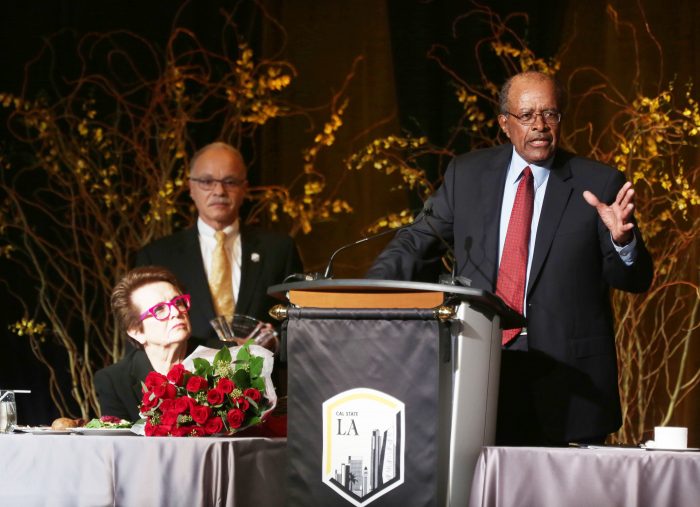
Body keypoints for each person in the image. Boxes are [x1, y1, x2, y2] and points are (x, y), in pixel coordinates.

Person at [367, 71, 653, 446]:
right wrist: (367, 291)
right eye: (527, 115)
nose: (540, 125)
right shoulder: (467, 175)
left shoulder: (598, 184)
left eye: (550, 114)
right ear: (505, 123)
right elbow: (416, 243)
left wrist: (623, 241)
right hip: (479, 368)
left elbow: (635, 279)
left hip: (569, 383)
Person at [135, 142, 303, 342]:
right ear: (191, 188)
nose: (219, 191)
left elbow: (301, 323)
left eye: (230, 182)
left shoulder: (279, 250)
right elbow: (142, 334)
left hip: (263, 371)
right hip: (184, 371)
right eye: (207, 181)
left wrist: (275, 343)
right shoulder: (157, 256)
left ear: (244, 189)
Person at [94, 266, 198, 421]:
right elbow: (119, 443)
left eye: (178, 302)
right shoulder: (114, 381)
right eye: (159, 309)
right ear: (136, 331)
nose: (176, 312)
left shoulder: (224, 355)